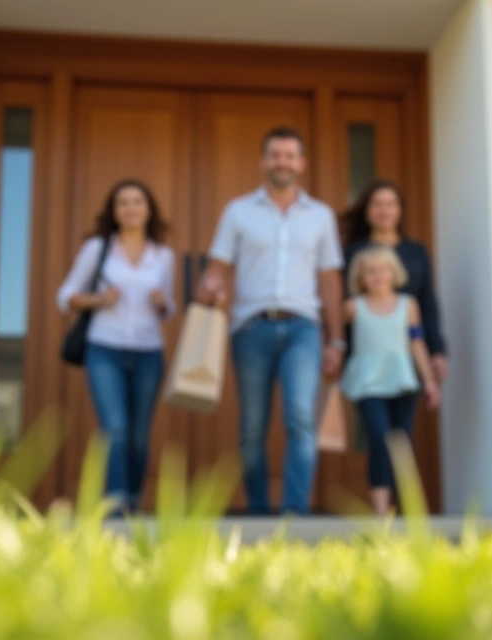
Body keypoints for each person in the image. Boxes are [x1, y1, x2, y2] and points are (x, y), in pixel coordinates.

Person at [197, 126, 345, 516]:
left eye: (290, 155)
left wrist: (337, 341)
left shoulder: (321, 217)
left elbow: (330, 280)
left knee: (300, 417)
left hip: (303, 329)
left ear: (302, 163)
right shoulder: (238, 212)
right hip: (251, 329)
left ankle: (295, 514)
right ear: (263, 162)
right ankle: (260, 513)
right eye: (275, 155)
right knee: (252, 429)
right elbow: (217, 268)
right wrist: (212, 287)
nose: (283, 162)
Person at [56, 179, 176, 513]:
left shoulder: (163, 255)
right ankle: (115, 506)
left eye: (138, 201)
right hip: (104, 349)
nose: (131, 208)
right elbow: (65, 297)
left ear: (148, 209)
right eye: (123, 202)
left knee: (139, 437)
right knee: (116, 429)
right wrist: (99, 299)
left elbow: (169, 308)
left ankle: (132, 501)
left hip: (149, 352)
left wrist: (161, 302)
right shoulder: (97, 249)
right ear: (114, 211)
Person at [341, 246, 441, 516]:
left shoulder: (408, 305)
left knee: (400, 444)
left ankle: (406, 507)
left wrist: (429, 382)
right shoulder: (352, 308)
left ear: (393, 273)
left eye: (383, 270)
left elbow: (417, 343)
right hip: (368, 383)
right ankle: (381, 512)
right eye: (370, 271)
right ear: (360, 278)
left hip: (402, 381)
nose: (377, 276)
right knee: (380, 439)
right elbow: (337, 341)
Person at [342, 179, 448, 384]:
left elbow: (428, 302)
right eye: (377, 204)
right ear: (367, 210)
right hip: (367, 354)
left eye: (391, 204)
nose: (384, 211)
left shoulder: (416, 252)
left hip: (410, 352)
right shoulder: (354, 252)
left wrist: (437, 350)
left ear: (399, 210)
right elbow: (347, 302)